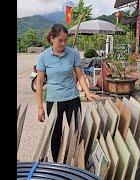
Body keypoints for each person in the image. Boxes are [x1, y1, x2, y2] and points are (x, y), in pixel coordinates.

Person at [35, 23, 100, 162]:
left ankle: (76, 162)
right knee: (55, 134)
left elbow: (80, 75)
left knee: (76, 132)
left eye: (65, 40)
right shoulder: (43, 57)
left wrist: (87, 93)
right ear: (52, 38)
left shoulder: (73, 54)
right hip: (54, 101)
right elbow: (39, 83)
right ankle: (58, 165)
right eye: (60, 40)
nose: (63, 43)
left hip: (72, 99)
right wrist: (40, 107)